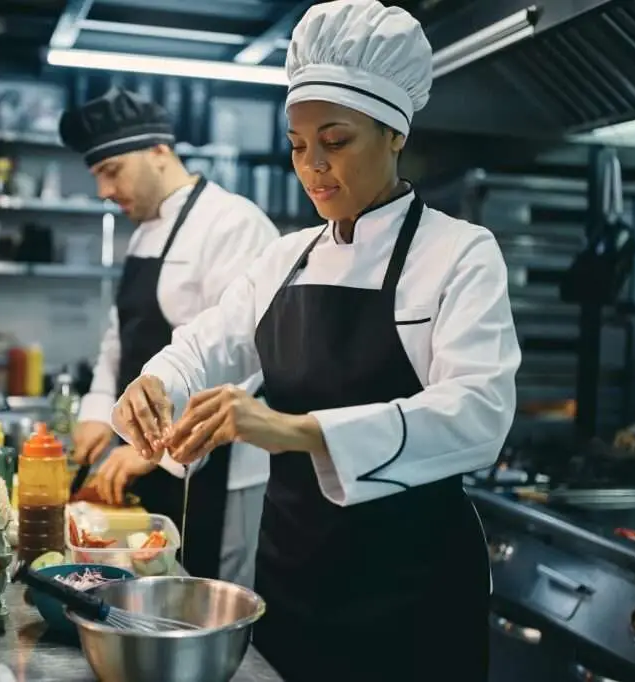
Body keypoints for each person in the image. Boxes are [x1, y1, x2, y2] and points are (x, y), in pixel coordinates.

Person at [110, 2, 522, 680]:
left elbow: (478, 414)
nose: (313, 167)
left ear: (393, 134)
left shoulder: (459, 253)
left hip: (412, 587)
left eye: (336, 141)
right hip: (294, 574)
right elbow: (206, 342)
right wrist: (155, 384)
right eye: (300, 146)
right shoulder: (286, 257)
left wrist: (297, 430)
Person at [59, 87, 279, 586]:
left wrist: (155, 450)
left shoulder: (233, 224)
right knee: (150, 589)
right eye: (97, 176)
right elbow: (120, 339)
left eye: (111, 171)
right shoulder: (142, 234)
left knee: (202, 594)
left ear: (159, 151)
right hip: (145, 458)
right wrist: (97, 414)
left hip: (219, 467)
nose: (103, 192)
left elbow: (246, 364)